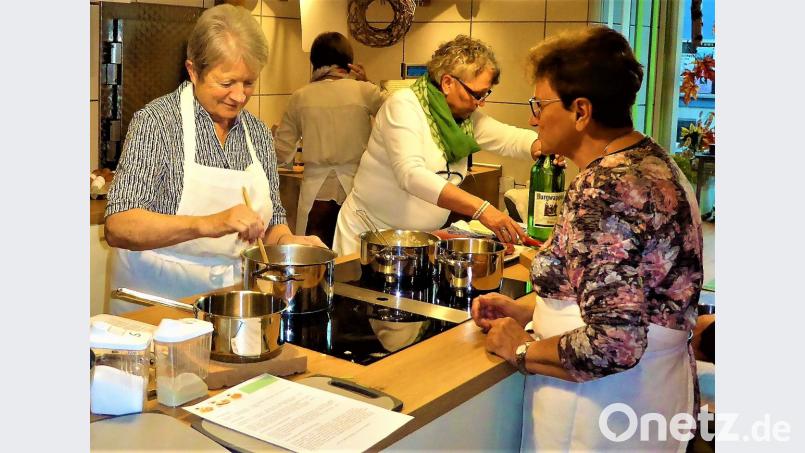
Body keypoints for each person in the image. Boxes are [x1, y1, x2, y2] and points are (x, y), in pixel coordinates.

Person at [471, 26, 704, 451]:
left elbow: (613, 344)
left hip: (602, 409)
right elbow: (626, 292)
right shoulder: (653, 162)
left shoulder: (603, 190)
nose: (532, 118)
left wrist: (522, 349)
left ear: (581, 111)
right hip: (649, 398)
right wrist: (529, 309)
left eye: (539, 104)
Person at [105, 5, 325, 314]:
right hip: (156, 303)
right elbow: (119, 225)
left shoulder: (257, 133)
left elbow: (271, 222)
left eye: (248, 83)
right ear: (193, 71)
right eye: (227, 83)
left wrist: (289, 244)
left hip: (230, 302)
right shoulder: (156, 123)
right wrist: (210, 223)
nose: (239, 96)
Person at [332, 35, 542, 256]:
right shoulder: (404, 105)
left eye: (485, 94)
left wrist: (541, 146)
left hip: (418, 242)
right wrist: (481, 209)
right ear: (448, 83)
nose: (481, 102)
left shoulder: (462, 118)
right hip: (369, 237)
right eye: (476, 94)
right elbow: (411, 175)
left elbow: (508, 138)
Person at [273, 32, 386, 248]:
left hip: (315, 191)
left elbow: (281, 152)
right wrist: (367, 82)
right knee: (354, 254)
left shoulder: (300, 97)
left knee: (312, 254)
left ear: (314, 62)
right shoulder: (365, 91)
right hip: (356, 187)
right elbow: (396, 113)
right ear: (349, 63)